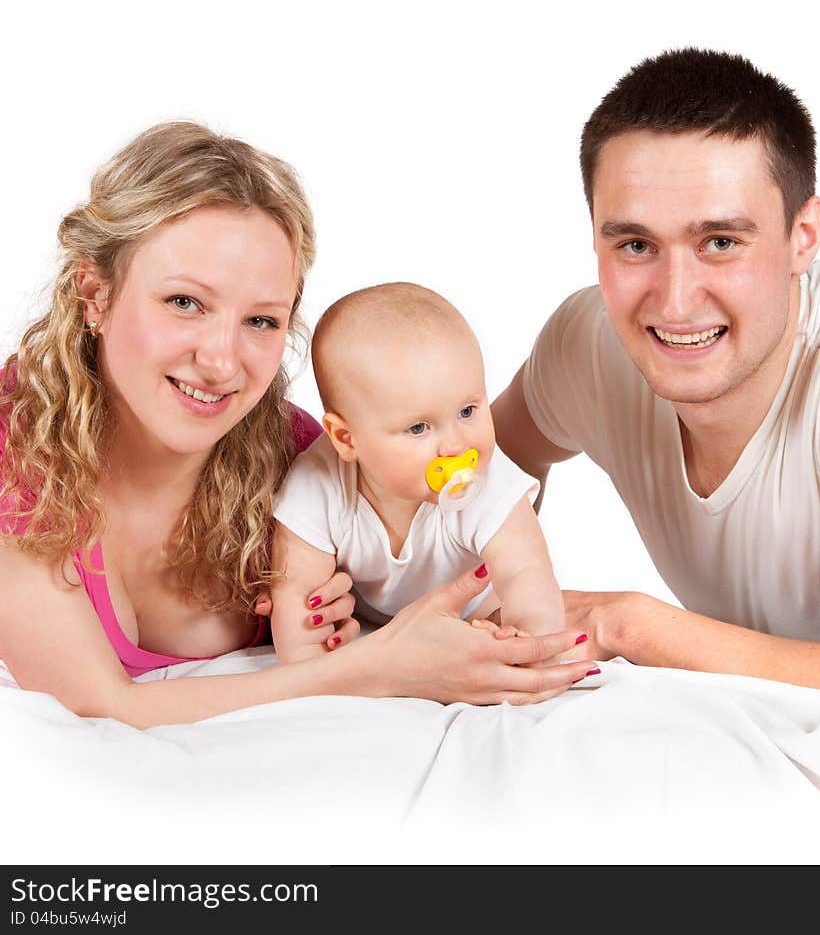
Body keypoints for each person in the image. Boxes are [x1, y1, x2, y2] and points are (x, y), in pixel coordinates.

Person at [0, 122, 595, 728]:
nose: (222, 360)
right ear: (94, 294)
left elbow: (432, 584)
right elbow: (100, 704)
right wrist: (373, 670)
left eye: (260, 320)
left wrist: (357, 627)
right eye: (185, 303)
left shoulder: (304, 461)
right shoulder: (17, 453)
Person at [492, 48, 820, 699]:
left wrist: (634, 627)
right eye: (636, 245)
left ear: (803, 237)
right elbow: (468, 470)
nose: (674, 303)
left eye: (720, 242)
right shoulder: (587, 343)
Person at [268, 282, 588, 667]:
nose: (456, 445)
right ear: (346, 438)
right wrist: (312, 672)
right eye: (419, 428)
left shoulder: (487, 482)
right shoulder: (318, 483)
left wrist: (528, 641)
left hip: (478, 613)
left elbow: (526, 572)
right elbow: (297, 594)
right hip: (375, 627)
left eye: (467, 411)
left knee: (503, 619)